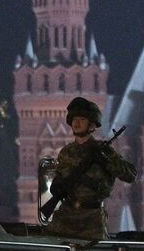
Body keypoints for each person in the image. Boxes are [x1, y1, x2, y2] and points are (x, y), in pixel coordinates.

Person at [43, 97, 138, 239]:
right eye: (74, 119)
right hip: (66, 215)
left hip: (92, 218)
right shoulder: (66, 152)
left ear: (92, 125)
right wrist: (57, 187)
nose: (76, 122)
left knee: (95, 250)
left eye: (82, 119)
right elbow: (60, 178)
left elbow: (131, 175)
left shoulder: (104, 151)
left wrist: (106, 161)